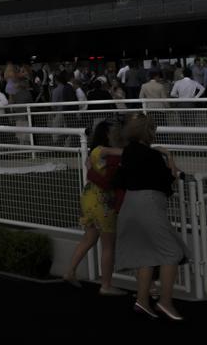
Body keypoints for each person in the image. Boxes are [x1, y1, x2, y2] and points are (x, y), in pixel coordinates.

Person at [114, 114, 187, 321]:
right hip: (150, 204)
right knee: (172, 252)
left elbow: (120, 179)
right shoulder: (154, 156)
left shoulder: (128, 151)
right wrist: (170, 159)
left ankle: (142, 300)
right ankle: (165, 302)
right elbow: (167, 183)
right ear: (148, 131)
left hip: (130, 203)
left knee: (146, 255)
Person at [64, 119, 126, 295]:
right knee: (108, 245)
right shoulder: (107, 152)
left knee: (89, 237)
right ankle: (106, 285)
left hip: (89, 197)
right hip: (103, 201)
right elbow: (122, 158)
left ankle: (70, 271)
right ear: (107, 134)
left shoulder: (94, 152)